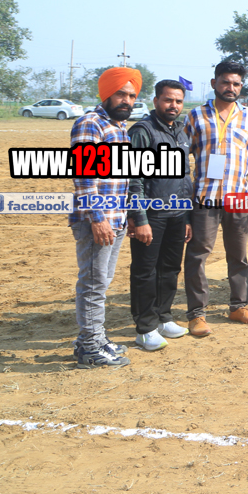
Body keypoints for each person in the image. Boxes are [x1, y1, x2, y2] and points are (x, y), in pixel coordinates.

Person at [183, 60, 248, 336]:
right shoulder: (196, 115)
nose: (230, 87)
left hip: (238, 198)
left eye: (236, 84)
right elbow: (182, 158)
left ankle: (238, 307)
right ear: (214, 83)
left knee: (239, 256)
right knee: (197, 256)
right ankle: (197, 314)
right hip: (204, 198)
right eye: (225, 82)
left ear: (241, 87)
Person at [68, 67, 141, 368]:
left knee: (102, 281)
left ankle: (94, 338)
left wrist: (127, 215)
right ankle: (90, 349)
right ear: (107, 94)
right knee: (93, 283)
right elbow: (84, 176)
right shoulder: (91, 123)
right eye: (121, 94)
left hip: (116, 218)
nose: (127, 100)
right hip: (96, 221)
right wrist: (98, 219)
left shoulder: (120, 127)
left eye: (132, 95)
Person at [125, 79, 193, 352]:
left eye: (178, 101)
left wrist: (186, 217)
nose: (173, 105)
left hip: (177, 213)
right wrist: (139, 218)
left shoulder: (181, 131)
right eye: (168, 100)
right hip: (151, 215)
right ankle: (145, 328)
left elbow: (184, 176)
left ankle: (163, 317)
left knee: (170, 269)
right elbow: (134, 178)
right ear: (156, 101)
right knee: (145, 271)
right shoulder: (143, 131)